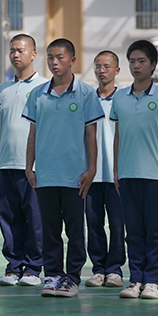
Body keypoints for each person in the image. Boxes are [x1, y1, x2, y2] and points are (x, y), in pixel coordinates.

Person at [23, 38, 104, 298]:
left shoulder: (86, 93)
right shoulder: (37, 94)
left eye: (59, 57)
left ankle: (72, 278)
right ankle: (53, 275)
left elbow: (91, 134)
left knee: (75, 231)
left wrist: (92, 168)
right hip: (46, 174)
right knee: (50, 230)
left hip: (75, 176)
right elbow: (33, 133)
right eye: (50, 57)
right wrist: (28, 167)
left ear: (72, 60)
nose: (54, 62)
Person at [112, 40, 158, 300]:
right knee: (133, 231)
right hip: (127, 174)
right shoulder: (120, 97)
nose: (136, 66)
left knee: (155, 231)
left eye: (141, 61)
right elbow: (118, 136)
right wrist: (116, 169)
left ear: (153, 64)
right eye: (132, 61)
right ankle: (135, 279)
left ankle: (152, 281)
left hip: (154, 174)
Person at [0, 34, 47, 287]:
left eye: (21, 50)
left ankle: (33, 268)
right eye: (12, 50)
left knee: (35, 219)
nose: (15, 55)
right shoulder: (1, 89)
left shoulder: (44, 88)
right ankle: (13, 267)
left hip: (33, 167)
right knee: (9, 218)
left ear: (33, 54)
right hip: (6, 164)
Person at [84, 50, 125, 289]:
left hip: (117, 175)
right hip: (92, 174)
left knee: (118, 226)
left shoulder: (124, 98)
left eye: (107, 66)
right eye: (98, 66)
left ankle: (115, 270)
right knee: (94, 225)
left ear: (117, 70)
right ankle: (98, 269)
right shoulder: (87, 99)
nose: (102, 71)